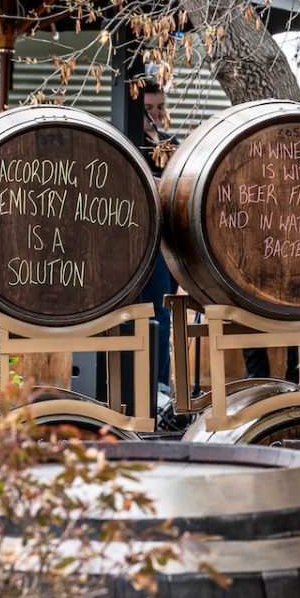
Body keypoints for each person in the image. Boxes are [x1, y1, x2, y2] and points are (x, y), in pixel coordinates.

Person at [138, 80, 178, 394]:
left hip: (167, 238)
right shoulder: (131, 142)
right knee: (143, 314)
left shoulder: (171, 143)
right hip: (139, 237)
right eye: (149, 108)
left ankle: (161, 385)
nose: (156, 114)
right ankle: (139, 385)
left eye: (160, 107)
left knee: (162, 314)